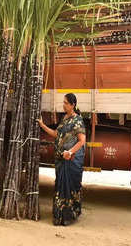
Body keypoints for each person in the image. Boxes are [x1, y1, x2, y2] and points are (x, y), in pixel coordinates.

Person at [38, 93, 86, 226]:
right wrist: (42, 125)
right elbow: (56, 134)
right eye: (63, 102)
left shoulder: (78, 121)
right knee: (60, 185)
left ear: (72, 105)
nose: (63, 105)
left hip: (71, 160)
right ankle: (59, 216)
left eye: (65, 103)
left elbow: (82, 141)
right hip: (61, 159)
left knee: (70, 186)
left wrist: (70, 152)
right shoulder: (64, 119)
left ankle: (69, 216)